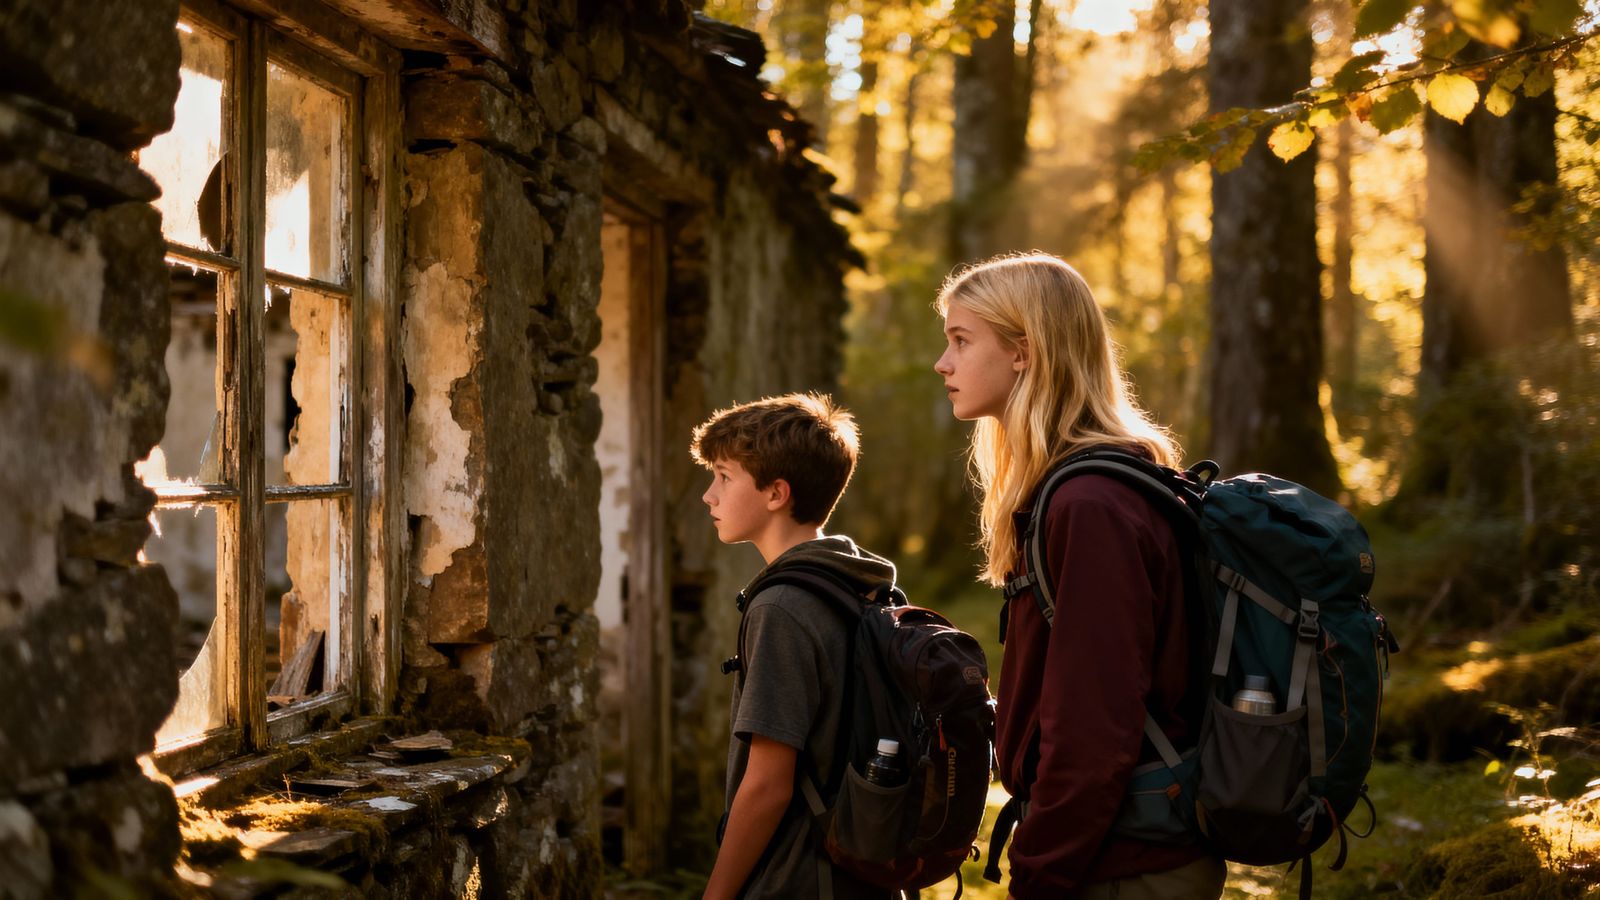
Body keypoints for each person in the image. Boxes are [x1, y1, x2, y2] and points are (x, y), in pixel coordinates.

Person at [933, 253, 1225, 899]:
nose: (943, 364)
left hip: (1126, 866)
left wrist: (1041, 874)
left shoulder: (1090, 504)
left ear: (1023, 351)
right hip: (1115, 849)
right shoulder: (1088, 490)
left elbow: (1096, 720)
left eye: (960, 341)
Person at [691, 392, 897, 900]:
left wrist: (715, 896)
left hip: (798, 880)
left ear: (776, 493)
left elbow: (767, 786)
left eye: (723, 476)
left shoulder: (781, 607)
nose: (708, 495)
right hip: (860, 874)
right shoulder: (854, 584)